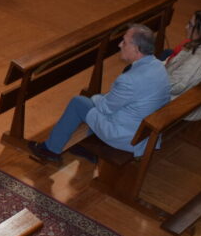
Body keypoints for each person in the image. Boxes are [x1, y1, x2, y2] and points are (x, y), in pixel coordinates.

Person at [28, 24, 170, 164]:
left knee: (79, 103)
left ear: (136, 49)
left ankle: (50, 150)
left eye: (124, 42)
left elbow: (105, 108)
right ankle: (83, 145)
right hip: (145, 133)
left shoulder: (129, 80)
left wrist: (95, 98)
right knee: (98, 102)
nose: (120, 45)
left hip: (127, 136)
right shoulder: (158, 66)